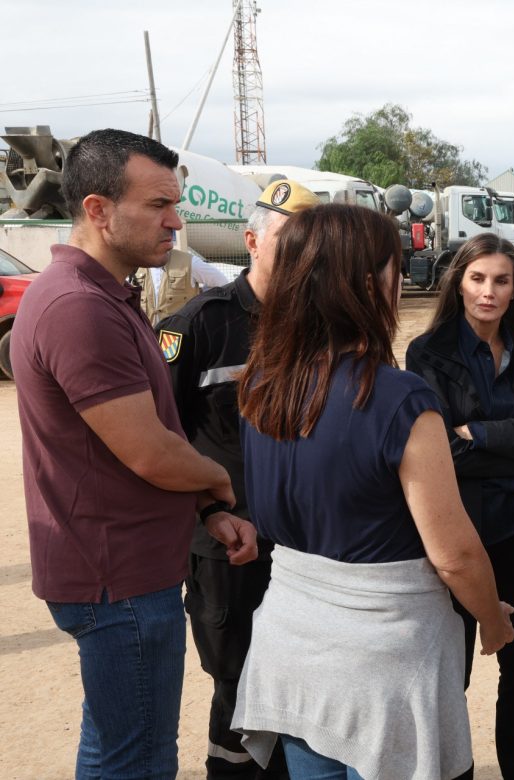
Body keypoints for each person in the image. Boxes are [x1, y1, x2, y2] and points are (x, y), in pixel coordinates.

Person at [230, 204, 514, 780]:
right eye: (396, 268)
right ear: (366, 284)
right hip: (382, 669)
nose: (403, 280)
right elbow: (455, 554)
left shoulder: (261, 382)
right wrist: (493, 618)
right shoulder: (397, 399)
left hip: (294, 653)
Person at [10, 128, 257, 779]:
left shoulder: (107, 297)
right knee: (139, 758)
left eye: (174, 203)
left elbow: (147, 440)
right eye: (157, 205)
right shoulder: (76, 308)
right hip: (117, 579)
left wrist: (205, 511)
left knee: (118, 745)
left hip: (127, 569)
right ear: (97, 209)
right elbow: (150, 451)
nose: (175, 221)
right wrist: (222, 483)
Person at [156, 178, 318, 779]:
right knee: (239, 689)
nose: (303, 256)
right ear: (251, 240)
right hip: (230, 546)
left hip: (307, 547)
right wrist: (206, 511)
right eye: (287, 241)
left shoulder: (321, 326)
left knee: (305, 688)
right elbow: (161, 436)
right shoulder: (197, 326)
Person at [406, 232, 514, 780]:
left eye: (501, 281)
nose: (489, 292)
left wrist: (481, 433)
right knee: (451, 672)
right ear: (459, 283)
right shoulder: (427, 354)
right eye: (477, 279)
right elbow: (442, 454)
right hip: (456, 536)